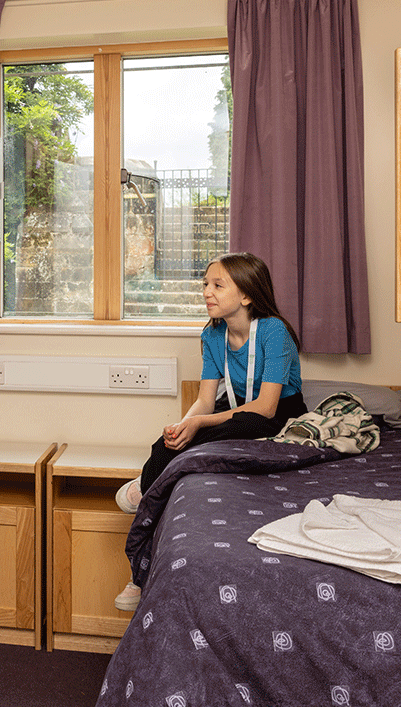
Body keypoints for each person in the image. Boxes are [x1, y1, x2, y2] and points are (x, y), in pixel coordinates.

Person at [113, 252, 306, 610]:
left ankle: (148, 492)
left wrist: (200, 424)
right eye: (205, 284)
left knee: (233, 427)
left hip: (276, 413)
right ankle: (146, 507)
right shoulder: (213, 334)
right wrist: (186, 424)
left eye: (218, 285)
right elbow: (204, 400)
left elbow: (265, 408)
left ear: (246, 295)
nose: (207, 292)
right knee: (170, 442)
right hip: (233, 410)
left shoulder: (274, 331)